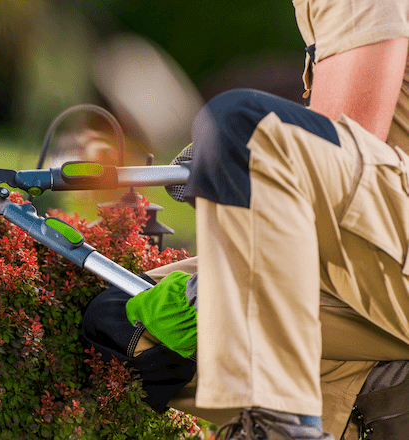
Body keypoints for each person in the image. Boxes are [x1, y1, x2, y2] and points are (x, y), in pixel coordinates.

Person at [87, 1, 409, 439]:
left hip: (381, 261)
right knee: (118, 327)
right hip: (374, 263)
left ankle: (281, 421)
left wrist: (235, 162)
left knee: (239, 123)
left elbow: (334, 171)